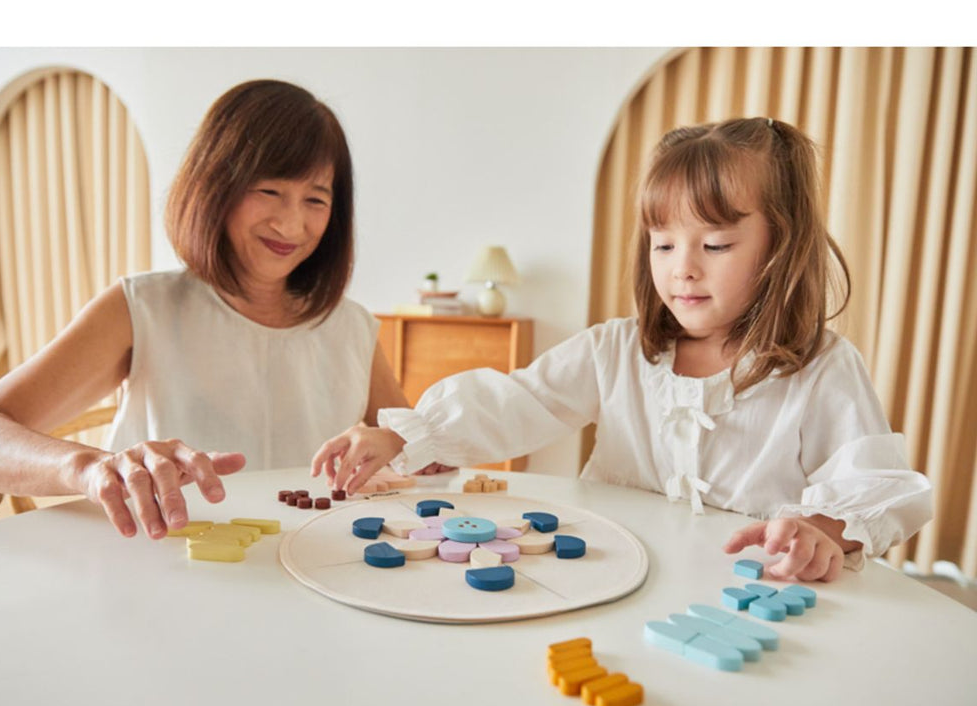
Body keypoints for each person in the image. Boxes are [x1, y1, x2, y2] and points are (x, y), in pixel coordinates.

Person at [312, 117, 933, 582]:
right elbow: (517, 401)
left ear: (780, 248)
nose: (682, 270)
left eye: (714, 245)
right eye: (663, 245)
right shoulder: (617, 349)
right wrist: (404, 435)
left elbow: (873, 481)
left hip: (750, 593)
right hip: (610, 579)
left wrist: (823, 529)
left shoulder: (821, 369)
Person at [0, 79, 421, 540]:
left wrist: (401, 441)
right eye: (268, 190)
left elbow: (420, 452)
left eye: (315, 199)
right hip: (162, 575)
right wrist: (90, 467)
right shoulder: (143, 307)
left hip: (311, 576)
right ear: (216, 184)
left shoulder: (350, 326)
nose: (290, 223)